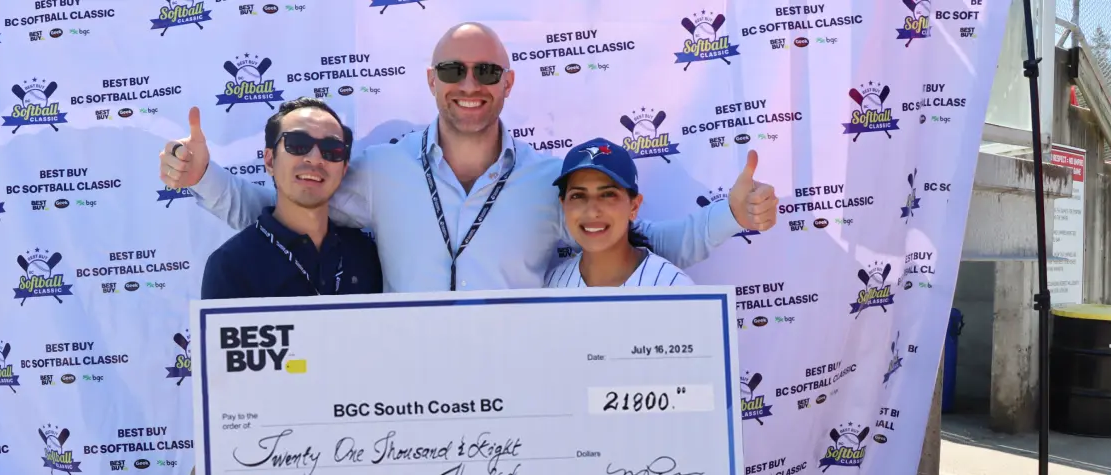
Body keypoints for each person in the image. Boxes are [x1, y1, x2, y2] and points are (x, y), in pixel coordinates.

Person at [161, 22, 779, 293]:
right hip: (405, 396)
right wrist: (204, 179)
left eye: (487, 71)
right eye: (454, 70)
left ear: (509, 83)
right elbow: (282, 208)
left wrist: (730, 214)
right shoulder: (380, 169)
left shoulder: (548, 181)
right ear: (432, 80)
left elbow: (640, 242)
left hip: (516, 393)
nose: (470, 83)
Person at [197, 97, 383, 299]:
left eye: (332, 149)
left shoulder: (366, 254)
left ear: (344, 169)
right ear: (269, 161)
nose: (314, 157)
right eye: (297, 143)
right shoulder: (231, 265)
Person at [545, 138, 692, 287]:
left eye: (608, 195)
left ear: (634, 206)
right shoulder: (555, 283)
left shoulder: (671, 285)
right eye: (578, 196)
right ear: (563, 205)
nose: (592, 211)